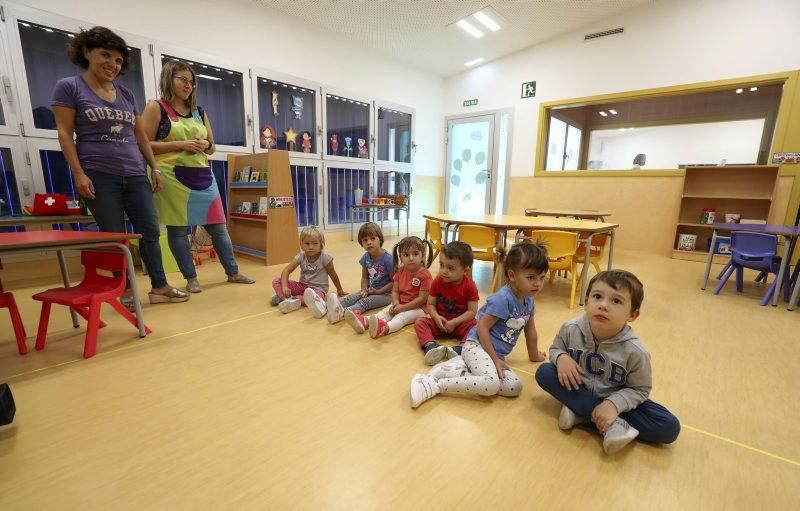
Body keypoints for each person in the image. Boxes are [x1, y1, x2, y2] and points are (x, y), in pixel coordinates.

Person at [51, 26, 188, 308]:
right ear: (86, 52)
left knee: (149, 231)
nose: (112, 64)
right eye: (105, 55)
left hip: (136, 173)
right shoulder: (69, 87)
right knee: (115, 235)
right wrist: (78, 173)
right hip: (99, 174)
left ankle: (159, 286)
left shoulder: (126, 94)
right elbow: (65, 132)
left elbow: (140, 135)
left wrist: (155, 168)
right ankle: (123, 288)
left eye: (117, 60)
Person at [535, 270, 680, 455]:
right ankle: (613, 424)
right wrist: (561, 358)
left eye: (616, 301)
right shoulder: (571, 329)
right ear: (586, 302)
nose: (603, 305)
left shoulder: (636, 352)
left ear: (633, 315)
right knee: (545, 373)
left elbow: (640, 390)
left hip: (615, 396)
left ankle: (582, 413)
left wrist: (613, 404)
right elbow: (556, 348)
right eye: (597, 297)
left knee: (669, 427)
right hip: (580, 388)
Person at [141, 60, 253, 293]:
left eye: (191, 82)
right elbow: (143, 144)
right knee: (178, 230)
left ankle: (233, 272)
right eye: (183, 79)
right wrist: (181, 143)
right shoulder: (156, 108)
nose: (188, 85)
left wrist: (206, 144)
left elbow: (211, 147)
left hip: (202, 175)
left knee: (219, 227)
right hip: (172, 177)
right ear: (168, 79)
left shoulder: (199, 112)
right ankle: (191, 278)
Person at [410, 242, 548, 408]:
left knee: (514, 386)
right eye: (531, 278)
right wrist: (495, 358)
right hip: (477, 347)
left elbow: (530, 329)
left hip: (493, 356)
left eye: (541, 278)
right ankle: (434, 384)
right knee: (491, 385)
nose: (538, 284)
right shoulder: (503, 299)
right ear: (512, 276)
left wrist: (534, 355)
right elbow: (482, 327)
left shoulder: (529, 301)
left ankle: (457, 368)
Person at [414, 241, 479, 365]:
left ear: (465, 270)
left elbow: (472, 312)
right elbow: (430, 304)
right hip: (440, 323)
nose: (443, 271)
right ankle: (430, 347)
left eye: (450, 268)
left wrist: (455, 322)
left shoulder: (470, 286)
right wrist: (436, 317)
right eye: (441, 265)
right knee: (420, 322)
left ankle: (461, 349)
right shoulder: (438, 281)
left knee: (476, 326)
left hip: (460, 323)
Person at [323, 223, 393, 328]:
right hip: (370, 289)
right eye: (365, 240)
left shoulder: (388, 259)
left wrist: (378, 292)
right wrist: (364, 289)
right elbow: (364, 277)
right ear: (361, 243)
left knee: (365, 302)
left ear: (380, 239)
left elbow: (394, 282)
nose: (369, 242)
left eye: (373, 238)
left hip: (387, 295)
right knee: (351, 297)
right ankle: (326, 307)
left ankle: (341, 313)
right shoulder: (366, 257)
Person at [367, 236, 433, 338]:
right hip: (402, 304)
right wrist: (396, 304)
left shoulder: (425, 275)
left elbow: (421, 299)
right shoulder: (400, 271)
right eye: (406, 255)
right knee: (387, 311)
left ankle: (383, 329)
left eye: (415, 254)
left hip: (421, 309)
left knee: (402, 316)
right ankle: (366, 321)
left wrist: (402, 308)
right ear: (401, 257)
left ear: (422, 256)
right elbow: (395, 292)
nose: (411, 258)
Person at [272, 226, 346, 315]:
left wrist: (340, 289)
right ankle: (286, 300)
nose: (311, 247)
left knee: (315, 298)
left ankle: (288, 299)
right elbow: (286, 271)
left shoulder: (325, 258)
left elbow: (333, 275)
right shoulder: (300, 257)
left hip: (318, 290)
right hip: (302, 286)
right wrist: (284, 287)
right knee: (276, 281)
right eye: (307, 243)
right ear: (302, 244)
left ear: (321, 244)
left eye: (315, 243)